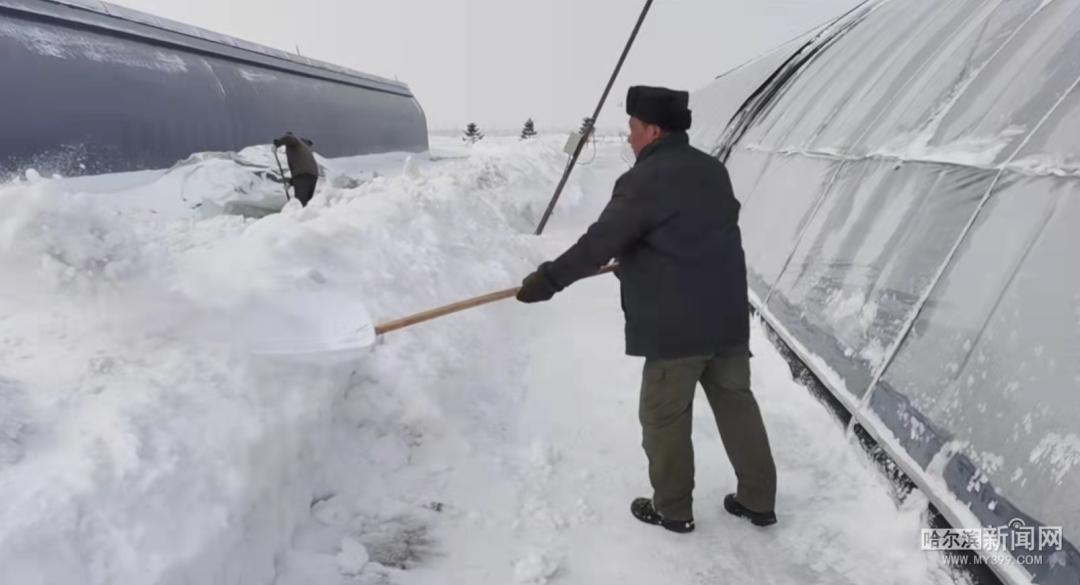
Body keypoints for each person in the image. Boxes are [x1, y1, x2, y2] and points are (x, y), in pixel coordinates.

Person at [515, 85, 777, 533]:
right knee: (737, 407)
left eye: (632, 128)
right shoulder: (713, 170)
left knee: (663, 416)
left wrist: (548, 280)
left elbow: (600, 243)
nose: (629, 137)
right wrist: (640, 257)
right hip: (728, 317)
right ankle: (758, 500)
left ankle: (673, 509)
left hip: (677, 327)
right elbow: (688, 235)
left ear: (653, 129)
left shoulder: (644, 179)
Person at [273, 132, 319, 207]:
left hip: (302, 175)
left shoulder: (294, 142)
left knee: (300, 204)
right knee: (307, 205)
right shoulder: (304, 146)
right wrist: (291, 183)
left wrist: (277, 144)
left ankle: (300, 216)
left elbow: (288, 138)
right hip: (312, 175)